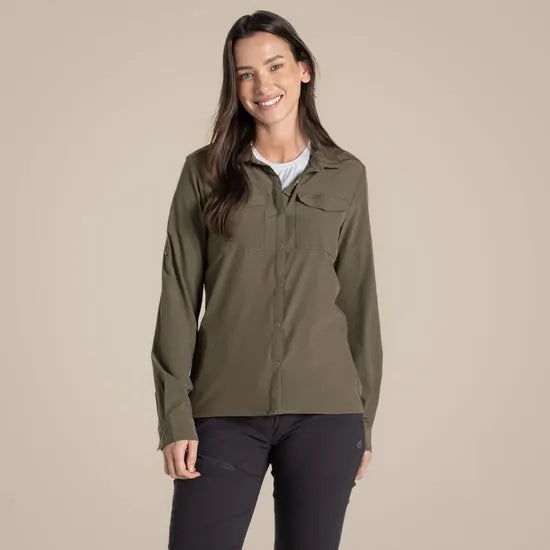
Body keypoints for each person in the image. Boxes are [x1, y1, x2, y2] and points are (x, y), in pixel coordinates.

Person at [150, 9, 384, 550]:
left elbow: (359, 299)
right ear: (234, 86)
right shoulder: (204, 172)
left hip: (327, 415)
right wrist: (175, 416)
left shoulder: (347, 175)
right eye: (246, 74)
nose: (262, 85)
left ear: (304, 69)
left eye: (275, 66)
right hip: (223, 410)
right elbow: (179, 296)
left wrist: (364, 419)